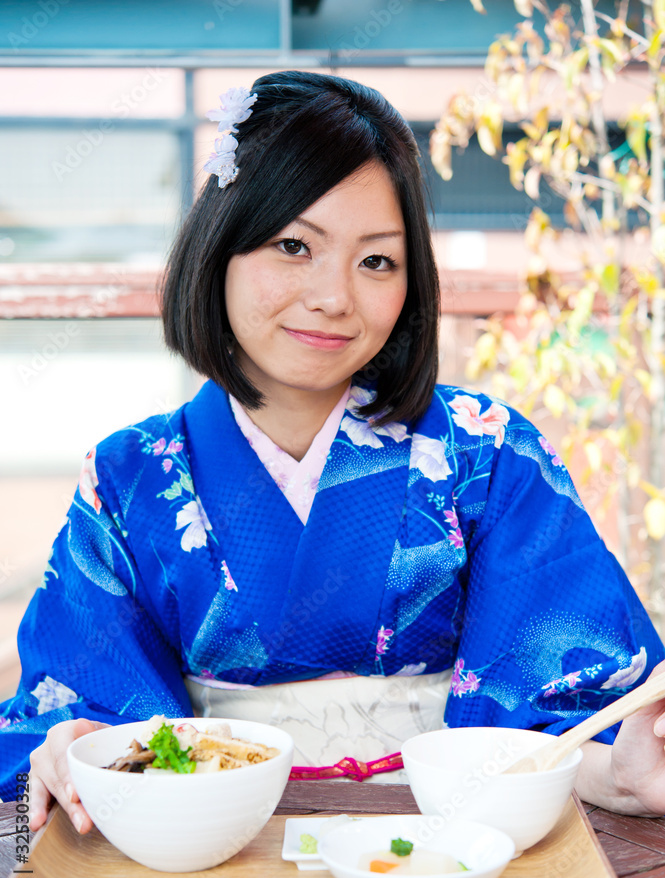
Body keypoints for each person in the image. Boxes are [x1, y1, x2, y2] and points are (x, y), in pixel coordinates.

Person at [1, 71, 664, 835]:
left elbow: (562, 725)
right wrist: (74, 751)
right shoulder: (127, 478)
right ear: (218, 248)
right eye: (293, 245)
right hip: (216, 849)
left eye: (376, 261)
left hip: (452, 843)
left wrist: (621, 772)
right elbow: (85, 718)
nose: (333, 297)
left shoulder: (489, 454)